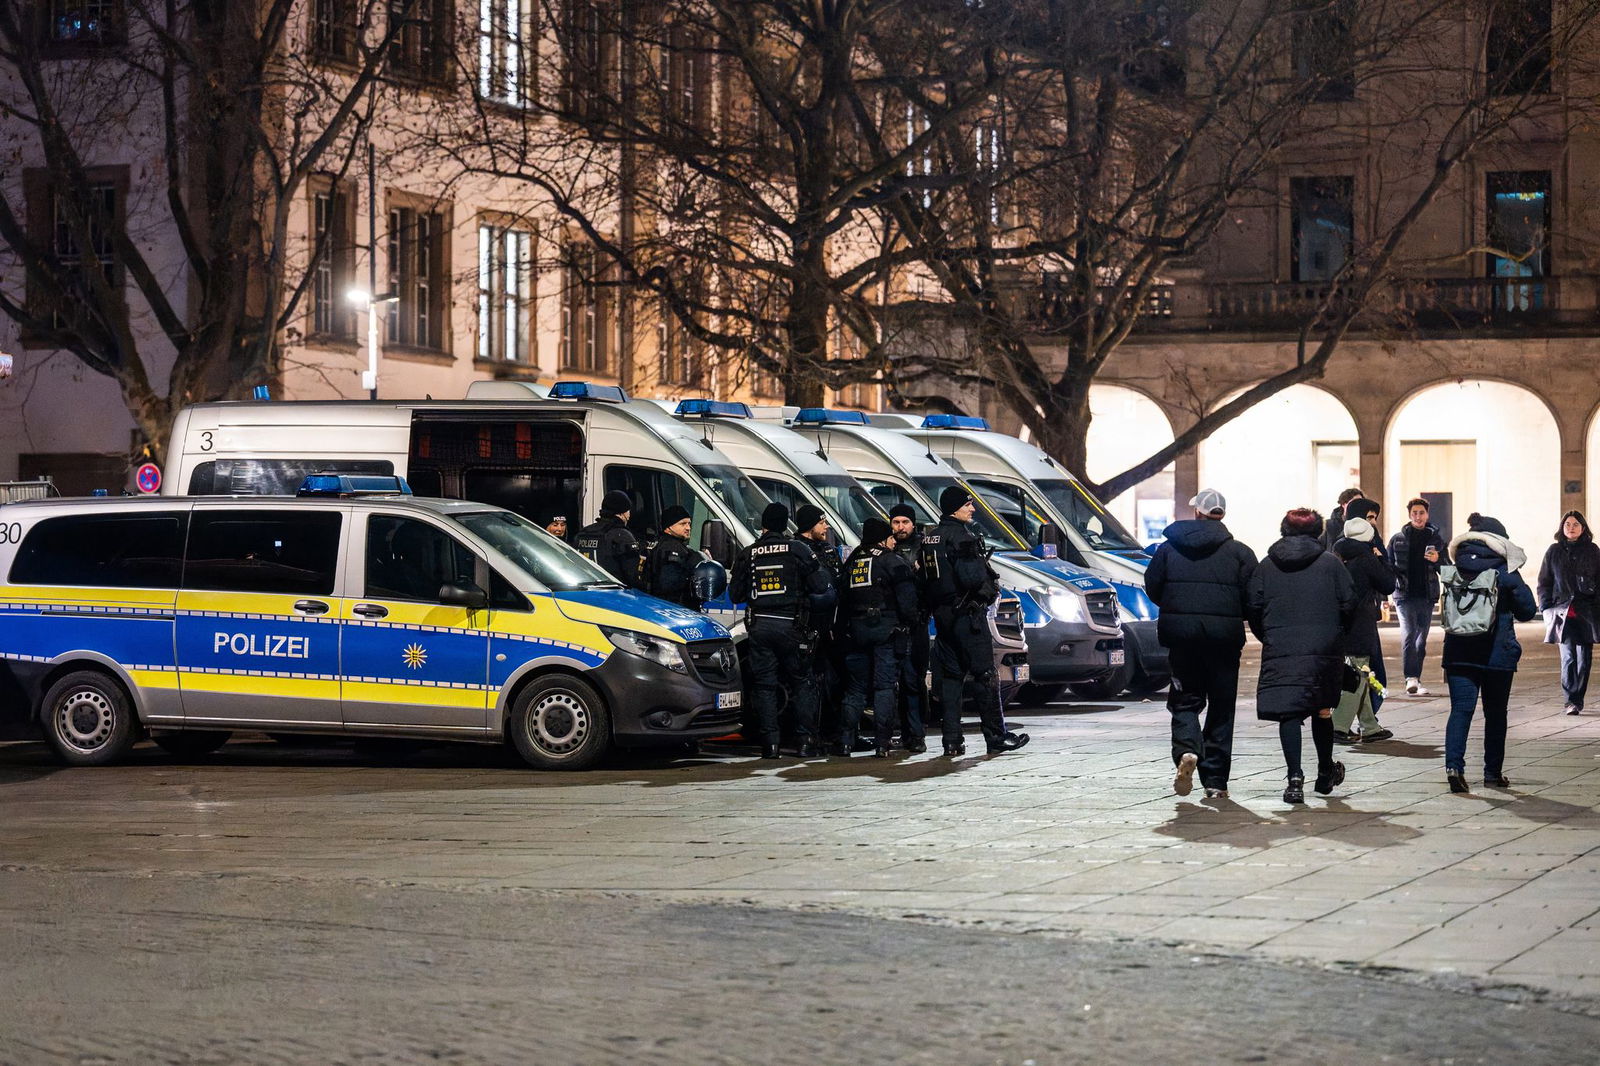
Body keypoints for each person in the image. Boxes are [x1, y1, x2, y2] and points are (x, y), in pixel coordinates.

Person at [1144, 487, 1257, 799]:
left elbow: (1153, 587)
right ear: (1222, 515)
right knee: (1222, 707)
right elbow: (1253, 597)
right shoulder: (1240, 553)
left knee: (1184, 700)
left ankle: (1187, 750)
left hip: (1182, 640)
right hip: (1224, 641)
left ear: (1197, 512)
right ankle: (1216, 781)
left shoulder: (1168, 550)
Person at [1247, 509, 1357, 804]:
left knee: (1289, 710)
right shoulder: (1331, 564)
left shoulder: (1267, 566)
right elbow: (1349, 604)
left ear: (1283, 529)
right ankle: (1325, 773)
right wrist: (1335, 634)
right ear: (1318, 532)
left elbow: (1253, 607)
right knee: (1322, 709)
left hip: (1282, 646)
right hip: (1323, 647)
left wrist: (1270, 635)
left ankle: (1294, 778)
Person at [920, 486, 1029, 757]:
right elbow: (972, 579)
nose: (972, 508)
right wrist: (989, 589)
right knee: (985, 676)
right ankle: (996, 737)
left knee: (952, 678)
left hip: (943, 617)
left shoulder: (930, 539)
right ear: (955, 507)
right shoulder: (963, 538)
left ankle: (952, 741)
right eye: (968, 504)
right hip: (968, 617)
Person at [729, 502, 836, 759]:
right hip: (792, 627)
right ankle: (804, 742)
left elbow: (736, 593)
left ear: (763, 525)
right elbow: (821, 585)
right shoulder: (797, 549)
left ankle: (770, 744)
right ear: (785, 524)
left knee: (764, 686)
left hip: (758, 627)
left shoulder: (749, 553)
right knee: (803, 683)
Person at [1441, 514, 1537, 793]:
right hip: (1498, 654)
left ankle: (1454, 768)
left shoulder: (1454, 566)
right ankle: (1492, 773)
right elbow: (1528, 610)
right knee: (1495, 714)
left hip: (1458, 651)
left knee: (1460, 710)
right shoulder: (1505, 570)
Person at [839, 517, 920, 757]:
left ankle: (845, 742)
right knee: (884, 687)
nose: (894, 541)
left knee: (855, 689)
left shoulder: (853, 560)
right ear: (884, 538)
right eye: (891, 537)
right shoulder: (892, 561)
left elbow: (842, 596)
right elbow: (908, 602)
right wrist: (911, 623)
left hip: (856, 631)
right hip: (887, 630)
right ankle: (882, 743)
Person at [1331, 516, 1396, 743]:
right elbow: (1388, 584)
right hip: (1361, 624)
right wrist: (1382, 559)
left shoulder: (1336, 555)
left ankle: (1369, 726)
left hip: (1340, 623)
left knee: (1361, 671)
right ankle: (1338, 726)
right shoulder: (1366, 558)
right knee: (1358, 675)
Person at [1536, 510, 1600, 716]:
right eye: (1567, 524)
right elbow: (1544, 582)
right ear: (1562, 528)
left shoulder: (1592, 550)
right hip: (1562, 610)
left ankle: (1578, 697)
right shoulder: (1554, 551)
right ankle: (1571, 700)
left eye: (1575, 525)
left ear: (1583, 528)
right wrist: (1545, 607)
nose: (1571, 528)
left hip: (1586, 611)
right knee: (1568, 656)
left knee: (1584, 658)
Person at [1388, 497, 1448, 695]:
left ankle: (1417, 678)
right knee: (1409, 634)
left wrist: (1438, 560)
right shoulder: (1397, 539)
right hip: (1403, 595)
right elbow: (1387, 566)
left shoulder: (1436, 540)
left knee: (1421, 640)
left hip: (1427, 595)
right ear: (1409, 515)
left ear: (1427, 514)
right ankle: (1410, 678)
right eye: (1414, 513)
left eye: (1421, 512)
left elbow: (1447, 569)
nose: (1418, 516)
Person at [889, 503, 930, 753]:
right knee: (899, 682)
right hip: (894, 624)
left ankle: (916, 734)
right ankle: (906, 732)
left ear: (913, 524)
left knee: (914, 680)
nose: (900, 527)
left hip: (917, 623)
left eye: (905, 522)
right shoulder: (886, 547)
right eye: (896, 522)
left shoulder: (922, 548)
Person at [576, 490, 643, 588]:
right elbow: (632, 574)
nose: (629, 516)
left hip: (585, 592)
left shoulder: (583, 533)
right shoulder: (622, 535)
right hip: (614, 594)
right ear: (621, 513)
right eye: (628, 511)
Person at [645, 504, 702, 609]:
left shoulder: (672, 545)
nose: (688, 528)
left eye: (689, 523)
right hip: (675, 609)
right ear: (668, 527)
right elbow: (670, 585)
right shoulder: (671, 548)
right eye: (683, 524)